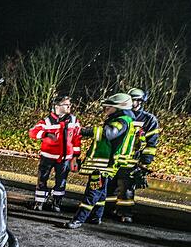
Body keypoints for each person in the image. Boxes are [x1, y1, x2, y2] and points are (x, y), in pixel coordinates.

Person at [65, 93, 137, 229]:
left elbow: (109, 133)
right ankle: (95, 217)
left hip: (103, 164)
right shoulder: (124, 119)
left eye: (108, 107)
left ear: (119, 107)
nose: (105, 110)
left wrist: (84, 131)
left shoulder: (121, 121)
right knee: (102, 192)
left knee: (93, 191)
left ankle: (78, 220)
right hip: (106, 163)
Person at [105, 87, 161, 223]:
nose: (132, 102)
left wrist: (146, 159)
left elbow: (151, 141)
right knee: (110, 185)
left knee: (126, 187)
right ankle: (108, 210)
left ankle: (125, 212)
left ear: (141, 102)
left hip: (132, 159)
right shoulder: (119, 116)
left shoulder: (148, 119)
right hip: (115, 157)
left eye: (135, 100)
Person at [28, 94, 81, 212]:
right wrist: (45, 134)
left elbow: (77, 138)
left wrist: (76, 156)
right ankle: (39, 202)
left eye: (69, 104)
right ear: (57, 106)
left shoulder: (73, 120)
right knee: (42, 179)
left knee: (61, 181)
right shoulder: (47, 121)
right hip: (48, 157)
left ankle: (57, 202)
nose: (69, 107)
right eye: (66, 104)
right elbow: (32, 133)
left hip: (65, 158)